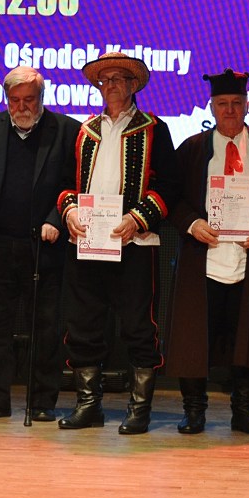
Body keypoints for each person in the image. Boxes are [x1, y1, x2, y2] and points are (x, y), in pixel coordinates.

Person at [58, 51, 181, 434]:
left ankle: (139, 408)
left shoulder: (154, 128)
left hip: (136, 244)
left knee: (138, 325)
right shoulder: (85, 130)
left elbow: (170, 186)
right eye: (104, 79)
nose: (109, 85)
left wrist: (137, 218)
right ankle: (88, 404)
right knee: (84, 323)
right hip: (87, 244)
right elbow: (66, 184)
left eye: (117, 79)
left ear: (133, 85)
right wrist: (70, 211)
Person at [162, 69, 249, 435]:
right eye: (222, 104)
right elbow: (171, 198)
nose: (229, 110)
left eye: (236, 103)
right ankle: (194, 411)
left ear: (247, 106)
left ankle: (243, 411)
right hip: (204, 257)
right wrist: (191, 223)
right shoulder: (192, 149)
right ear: (212, 107)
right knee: (193, 338)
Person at [0, 67, 80, 422]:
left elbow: (74, 182)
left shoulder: (67, 129)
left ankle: (42, 401)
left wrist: (55, 218)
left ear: (41, 98)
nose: (21, 107)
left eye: (29, 100)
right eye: (14, 100)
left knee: (45, 327)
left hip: (44, 246)